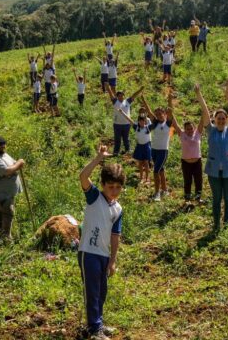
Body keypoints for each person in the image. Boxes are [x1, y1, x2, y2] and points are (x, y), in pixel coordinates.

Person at [78, 144, 124, 340]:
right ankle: (93, 328)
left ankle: (99, 323)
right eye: (110, 186)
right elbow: (83, 177)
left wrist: (113, 260)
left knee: (102, 291)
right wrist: (98, 158)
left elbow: (115, 236)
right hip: (88, 252)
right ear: (103, 184)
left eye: (118, 187)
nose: (114, 191)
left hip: (104, 255)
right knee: (92, 291)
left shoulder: (118, 209)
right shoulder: (94, 196)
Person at [196, 82, 228, 231]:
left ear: (226, 120)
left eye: (223, 118)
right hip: (213, 172)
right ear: (214, 120)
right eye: (218, 118)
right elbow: (205, 111)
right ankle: (216, 224)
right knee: (216, 199)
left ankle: (227, 223)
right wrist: (199, 95)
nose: (221, 120)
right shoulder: (210, 130)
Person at [0, 136, 25, 240]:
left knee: (1, 213)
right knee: (8, 212)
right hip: (1, 193)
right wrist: (19, 163)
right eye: (0, 145)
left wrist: (17, 163)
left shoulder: (3, 154)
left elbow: (13, 163)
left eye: (4, 145)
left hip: (7, 191)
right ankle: (6, 239)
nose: (2, 147)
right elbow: (7, 171)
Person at [141, 96, 174, 201]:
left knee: (155, 171)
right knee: (161, 170)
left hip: (163, 151)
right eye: (157, 114)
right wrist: (143, 99)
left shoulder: (168, 123)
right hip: (154, 150)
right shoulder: (155, 123)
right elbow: (149, 111)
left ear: (164, 114)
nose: (159, 115)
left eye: (161, 113)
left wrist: (169, 99)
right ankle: (164, 190)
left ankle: (157, 193)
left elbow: (170, 110)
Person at [169, 107, 204, 203]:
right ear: (184, 129)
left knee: (198, 180)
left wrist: (204, 110)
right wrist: (170, 112)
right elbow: (175, 123)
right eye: (187, 129)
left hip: (197, 162)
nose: (189, 130)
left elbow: (202, 121)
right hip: (186, 162)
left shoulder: (197, 133)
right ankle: (187, 199)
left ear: (194, 127)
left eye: (191, 128)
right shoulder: (182, 134)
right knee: (187, 180)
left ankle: (198, 197)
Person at [106, 83, 145, 156]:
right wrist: (108, 87)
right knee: (117, 139)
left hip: (126, 124)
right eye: (119, 95)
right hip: (117, 124)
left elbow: (134, 95)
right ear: (117, 96)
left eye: (122, 95)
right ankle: (116, 152)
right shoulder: (115, 101)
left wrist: (140, 90)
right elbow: (110, 93)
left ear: (124, 96)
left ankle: (127, 151)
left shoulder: (127, 101)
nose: (121, 96)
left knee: (126, 139)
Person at [119, 107, 152, 187]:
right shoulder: (136, 127)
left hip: (146, 146)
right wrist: (122, 112)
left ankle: (147, 178)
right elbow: (129, 119)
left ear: (145, 122)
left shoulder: (148, 128)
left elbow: (155, 121)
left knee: (146, 163)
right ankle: (141, 178)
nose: (141, 123)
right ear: (138, 122)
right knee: (140, 163)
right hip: (139, 146)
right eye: (140, 121)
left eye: (143, 121)